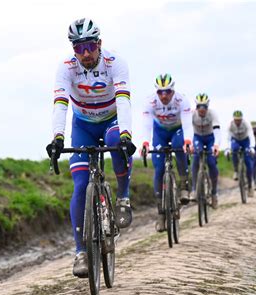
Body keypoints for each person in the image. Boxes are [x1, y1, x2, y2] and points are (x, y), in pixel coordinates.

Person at [46, 18, 136, 278]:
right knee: (79, 184)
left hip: (111, 120)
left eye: (89, 47)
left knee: (115, 143)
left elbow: (124, 101)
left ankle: (123, 197)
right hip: (83, 125)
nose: (85, 54)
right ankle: (80, 252)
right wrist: (58, 138)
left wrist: (127, 135)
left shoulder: (115, 63)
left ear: (99, 44)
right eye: (78, 48)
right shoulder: (66, 68)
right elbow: (60, 103)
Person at [141, 74, 193, 232]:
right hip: (160, 132)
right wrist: (145, 143)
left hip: (177, 130)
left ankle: (184, 184)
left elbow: (187, 123)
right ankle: (161, 213)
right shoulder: (150, 102)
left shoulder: (181, 100)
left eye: (168, 92)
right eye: (160, 92)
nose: (164, 95)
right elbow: (146, 125)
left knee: (180, 147)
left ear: (173, 90)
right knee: (159, 169)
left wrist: (188, 141)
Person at [190, 93, 221, 208]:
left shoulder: (213, 114)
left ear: (208, 107)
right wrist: (188, 144)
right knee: (195, 160)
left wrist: (216, 145)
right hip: (197, 137)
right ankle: (194, 190)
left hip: (210, 138)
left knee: (212, 163)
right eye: (199, 107)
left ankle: (214, 193)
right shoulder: (192, 115)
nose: (202, 109)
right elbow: (187, 130)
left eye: (204, 107)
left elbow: (217, 131)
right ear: (196, 107)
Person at [225, 110, 256, 197]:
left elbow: (251, 136)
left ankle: (250, 187)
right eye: (236, 120)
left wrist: (252, 147)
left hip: (245, 141)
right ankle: (236, 171)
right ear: (233, 119)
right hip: (236, 140)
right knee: (234, 149)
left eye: (239, 120)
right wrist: (227, 149)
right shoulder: (230, 125)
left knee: (248, 164)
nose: (238, 121)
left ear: (242, 119)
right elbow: (228, 138)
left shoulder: (246, 124)